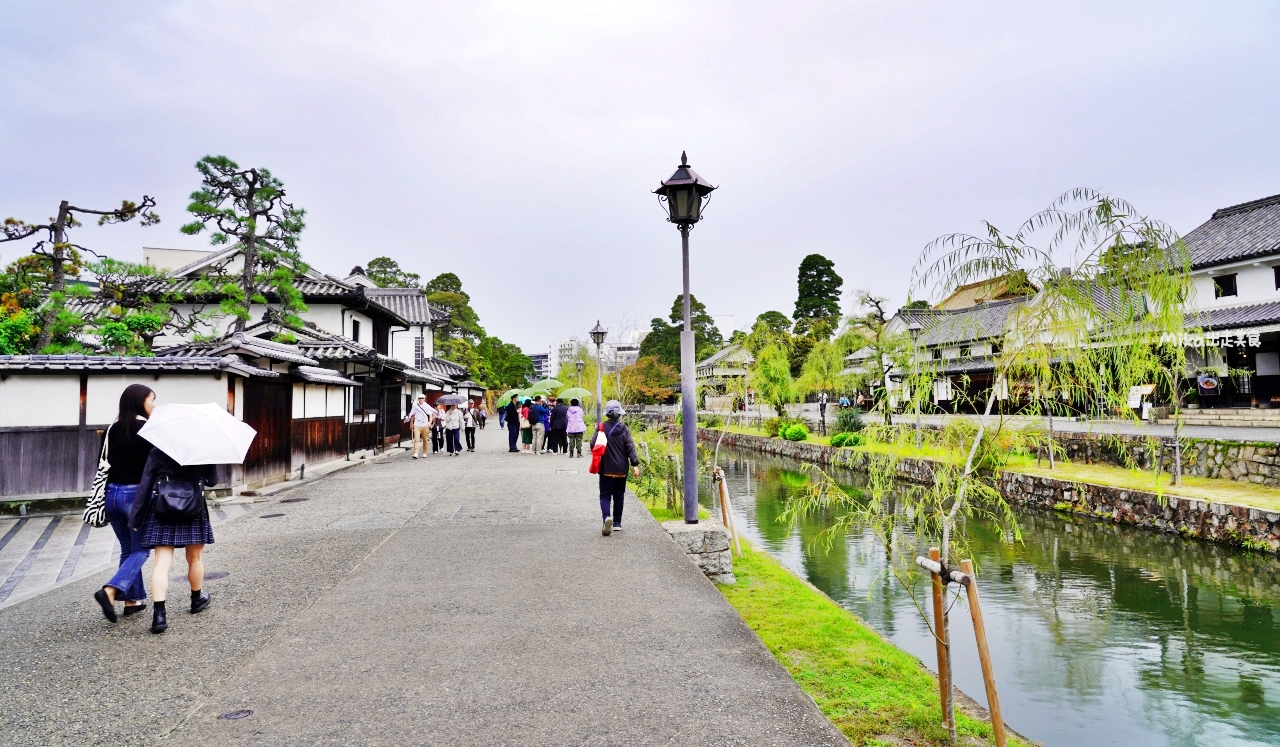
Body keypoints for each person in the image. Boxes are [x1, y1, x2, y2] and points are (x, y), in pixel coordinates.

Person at [129, 447, 218, 634]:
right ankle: (196, 599)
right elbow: (213, 481)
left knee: (161, 563)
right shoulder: (204, 448)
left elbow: (145, 485)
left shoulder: (158, 450)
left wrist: (136, 517)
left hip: (163, 507)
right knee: (195, 558)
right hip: (194, 507)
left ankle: (159, 616)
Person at [92, 384, 156, 623]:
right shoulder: (148, 430)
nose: (153, 405)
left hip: (111, 495)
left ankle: (132, 601)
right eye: (152, 400)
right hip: (135, 496)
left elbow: (103, 461)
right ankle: (110, 590)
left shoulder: (111, 430)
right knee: (141, 549)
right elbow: (153, 467)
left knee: (128, 549)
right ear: (141, 402)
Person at [596, 400, 639, 536]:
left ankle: (606, 517)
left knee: (605, 495)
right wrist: (635, 464)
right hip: (621, 469)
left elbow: (593, 444)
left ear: (607, 414)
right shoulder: (624, 428)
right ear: (619, 414)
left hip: (606, 468)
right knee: (619, 496)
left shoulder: (601, 427)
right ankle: (617, 524)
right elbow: (630, 447)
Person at [408, 394, 435, 459]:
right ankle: (415, 453)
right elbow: (412, 415)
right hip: (417, 424)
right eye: (420, 398)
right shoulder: (415, 406)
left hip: (425, 425)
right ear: (418, 399)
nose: (421, 399)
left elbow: (430, 415)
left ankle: (425, 452)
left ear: (424, 399)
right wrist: (411, 423)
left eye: (422, 398)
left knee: (425, 439)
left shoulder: (427, 406)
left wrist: (430, 422)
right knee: (416, 439)